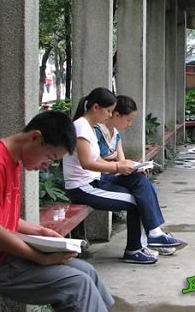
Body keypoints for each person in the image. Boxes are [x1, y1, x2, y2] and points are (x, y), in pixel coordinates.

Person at [0, 111, 114, 311]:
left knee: (87, 271)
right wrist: (40, 258)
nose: (45, 166)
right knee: (77, 284)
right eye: (49, 158)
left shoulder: (12, 160)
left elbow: (0, 218)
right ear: (35, 137)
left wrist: (39, 231)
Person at [62, 87, 182, 264]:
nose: (109, 115)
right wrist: (118, 166)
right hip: (83, 187)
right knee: (136, 202)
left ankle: (153, 233)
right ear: (95, 108)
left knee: (138, 179)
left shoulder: (89, 127)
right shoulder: (81, 127)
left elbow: (97, 161)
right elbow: (87, 163)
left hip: (96, 181)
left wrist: (129, 165)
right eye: (108, 111)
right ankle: (135, 249)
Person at [93, 94, 176, 256]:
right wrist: (117, 164)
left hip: (112, 175)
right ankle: (152, 235)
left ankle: (150, 238)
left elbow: (122, 161)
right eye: (128, 120)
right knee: (140, 194)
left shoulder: (116, 135)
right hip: (99, 178)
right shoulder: (96, 133)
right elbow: (96, 162)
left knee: (140, 182)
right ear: (116, 115)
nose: (130, 124)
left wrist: (135, 167)